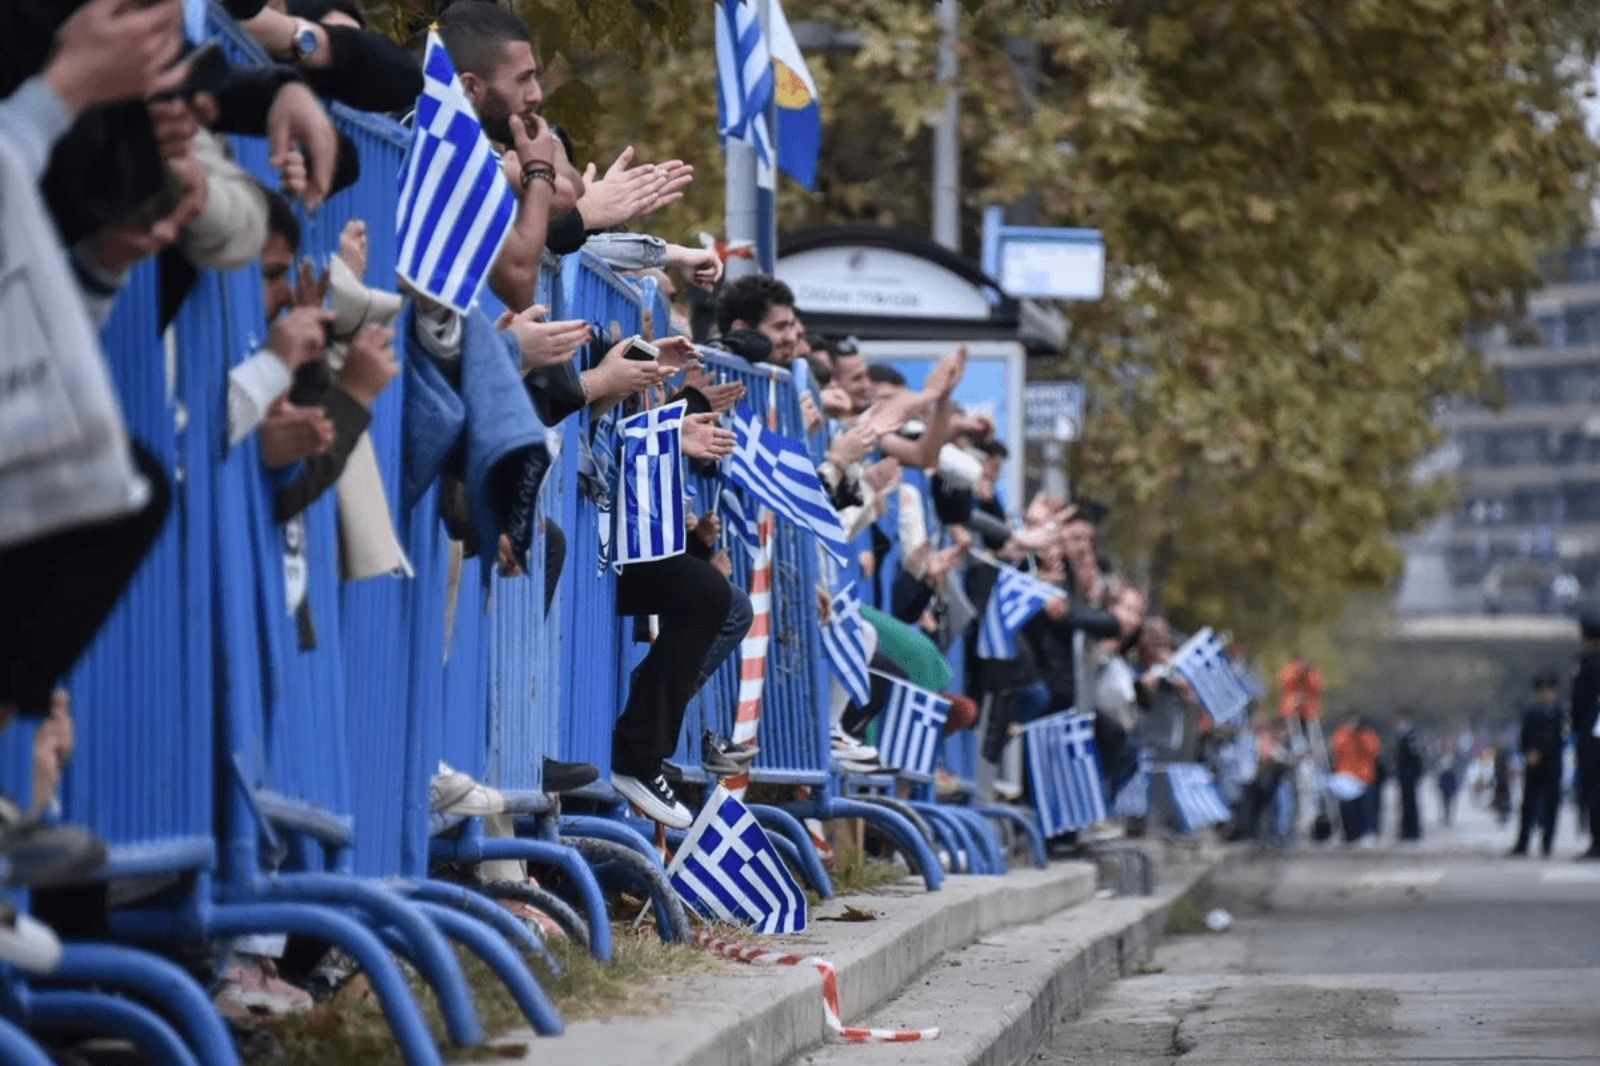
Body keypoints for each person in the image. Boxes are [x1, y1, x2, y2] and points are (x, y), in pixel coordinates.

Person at [1511, 669, 1565, 857]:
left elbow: (1562, 741)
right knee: (1528, 805)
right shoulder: (1531, 713)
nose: (1545, 694)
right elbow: (1524, 739)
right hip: (1533, 766)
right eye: (1542, 691)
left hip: (1552, 766)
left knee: (1551, 805)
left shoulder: (1560, 714)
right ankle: (1522, 843)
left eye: (1548, 690)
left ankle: (1547, 842)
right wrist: (1528, 753)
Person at [1569, 608, 1600, 859]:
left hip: (1592, 736)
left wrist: (1577, 733)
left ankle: (1597, 840)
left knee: (1593, 789)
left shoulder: (1587, 664)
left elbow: (1579, 704)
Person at [1329, 713, 1381, 844]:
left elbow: (1373, 750)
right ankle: (1350, 834)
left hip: (1364, 776)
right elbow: (1336, 748)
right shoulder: (1341, 734)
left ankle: (1368, 832)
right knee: (1347, 808)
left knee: (1366, 807)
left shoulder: (1367, 735)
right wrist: (1349, 734)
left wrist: (1359, 737)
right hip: (1346, 776)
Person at [1395, 717, 1423, 842]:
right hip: (1404, 776)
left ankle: (1412, 830)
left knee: (1410, 804)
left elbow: (1414, 757)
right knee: (1405, 804)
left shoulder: (1411, 737)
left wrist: (1414, 774)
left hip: (1409, 776)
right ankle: (1407, 829)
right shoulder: (1403, 736)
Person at [1436, 752, 1461, 826]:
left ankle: (1447, 817)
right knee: (1445, 804)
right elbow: (1440, 782)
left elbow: (1453, 782)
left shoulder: (1450, 773)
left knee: (1448, 804)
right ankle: (1446, 817)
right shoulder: (1445, 773)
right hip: (1446, 790)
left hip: (1448, 790)